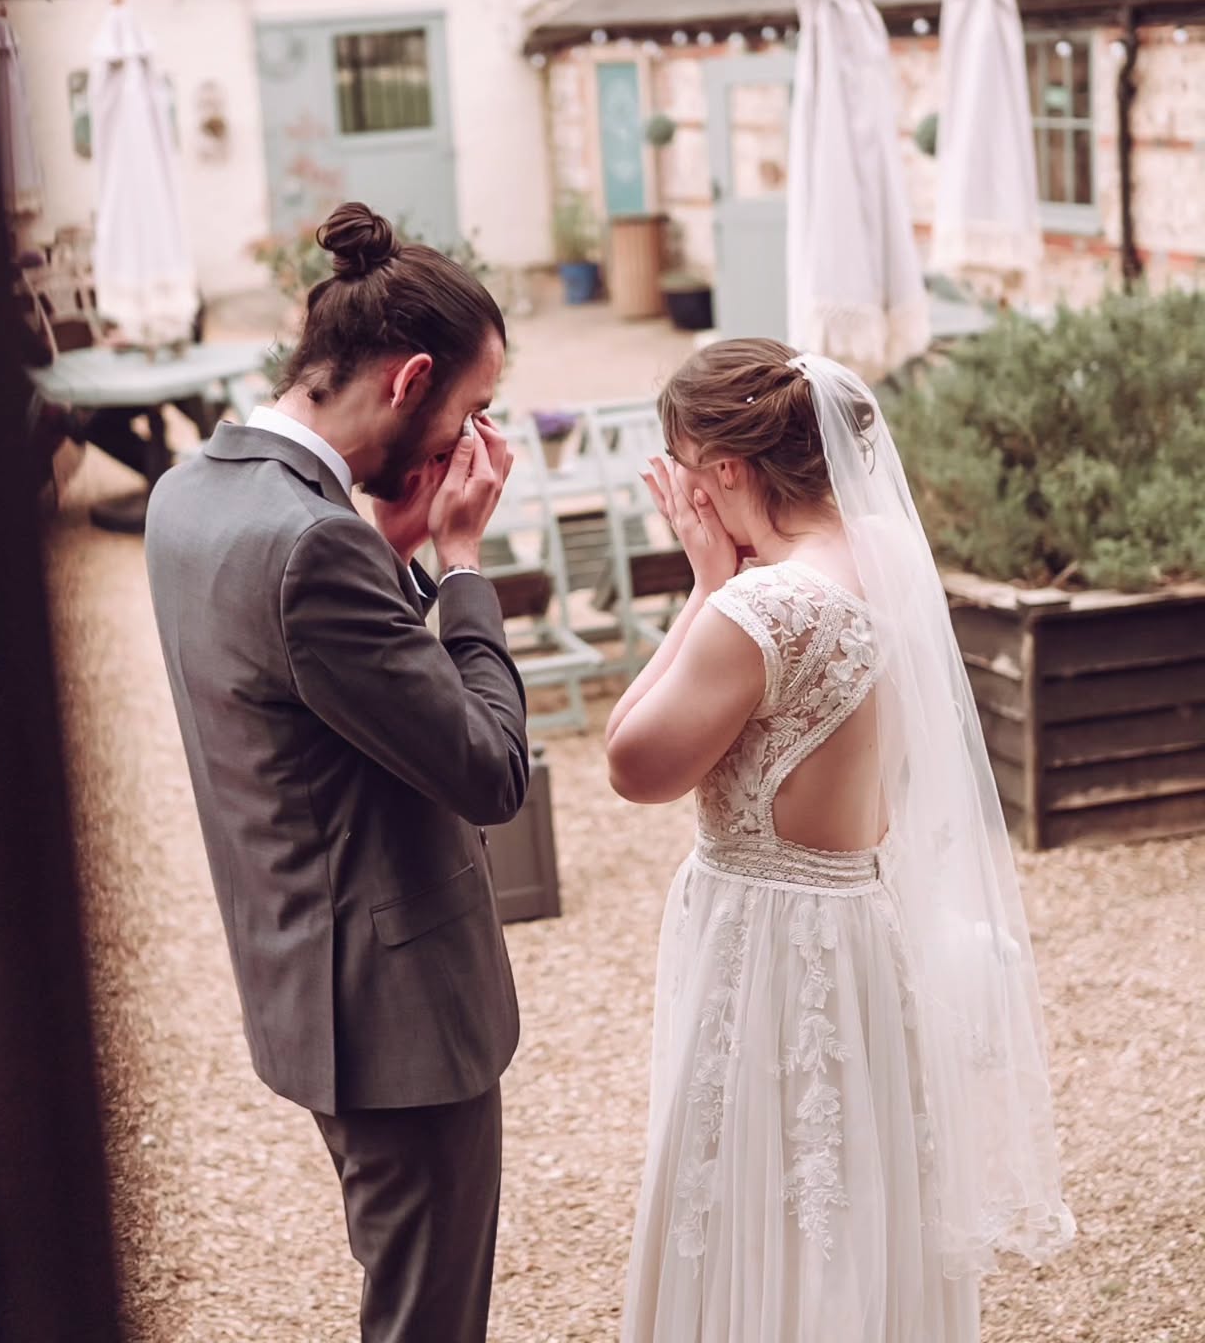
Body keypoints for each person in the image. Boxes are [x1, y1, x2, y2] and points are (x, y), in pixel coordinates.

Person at [608, 339, 1074, 1342]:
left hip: (766, 939)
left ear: (725, 470)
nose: (685, 497)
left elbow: (633, 763)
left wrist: (700, 586)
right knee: (856, 1187)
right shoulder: (888, 551)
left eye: (687, 472)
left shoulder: (761, 609)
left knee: (752, 1192)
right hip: (860, 923)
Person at [144, 203, 529, 1343]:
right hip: (395, 1017)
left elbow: (313, 696)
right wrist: (459, 568)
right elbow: (491, 768)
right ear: (412, 379)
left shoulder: (193, 492)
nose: (473, 439)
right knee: (426, 1322)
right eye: (473, 409)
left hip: (304, 980)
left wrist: (394, 551)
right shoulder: (317, 544)